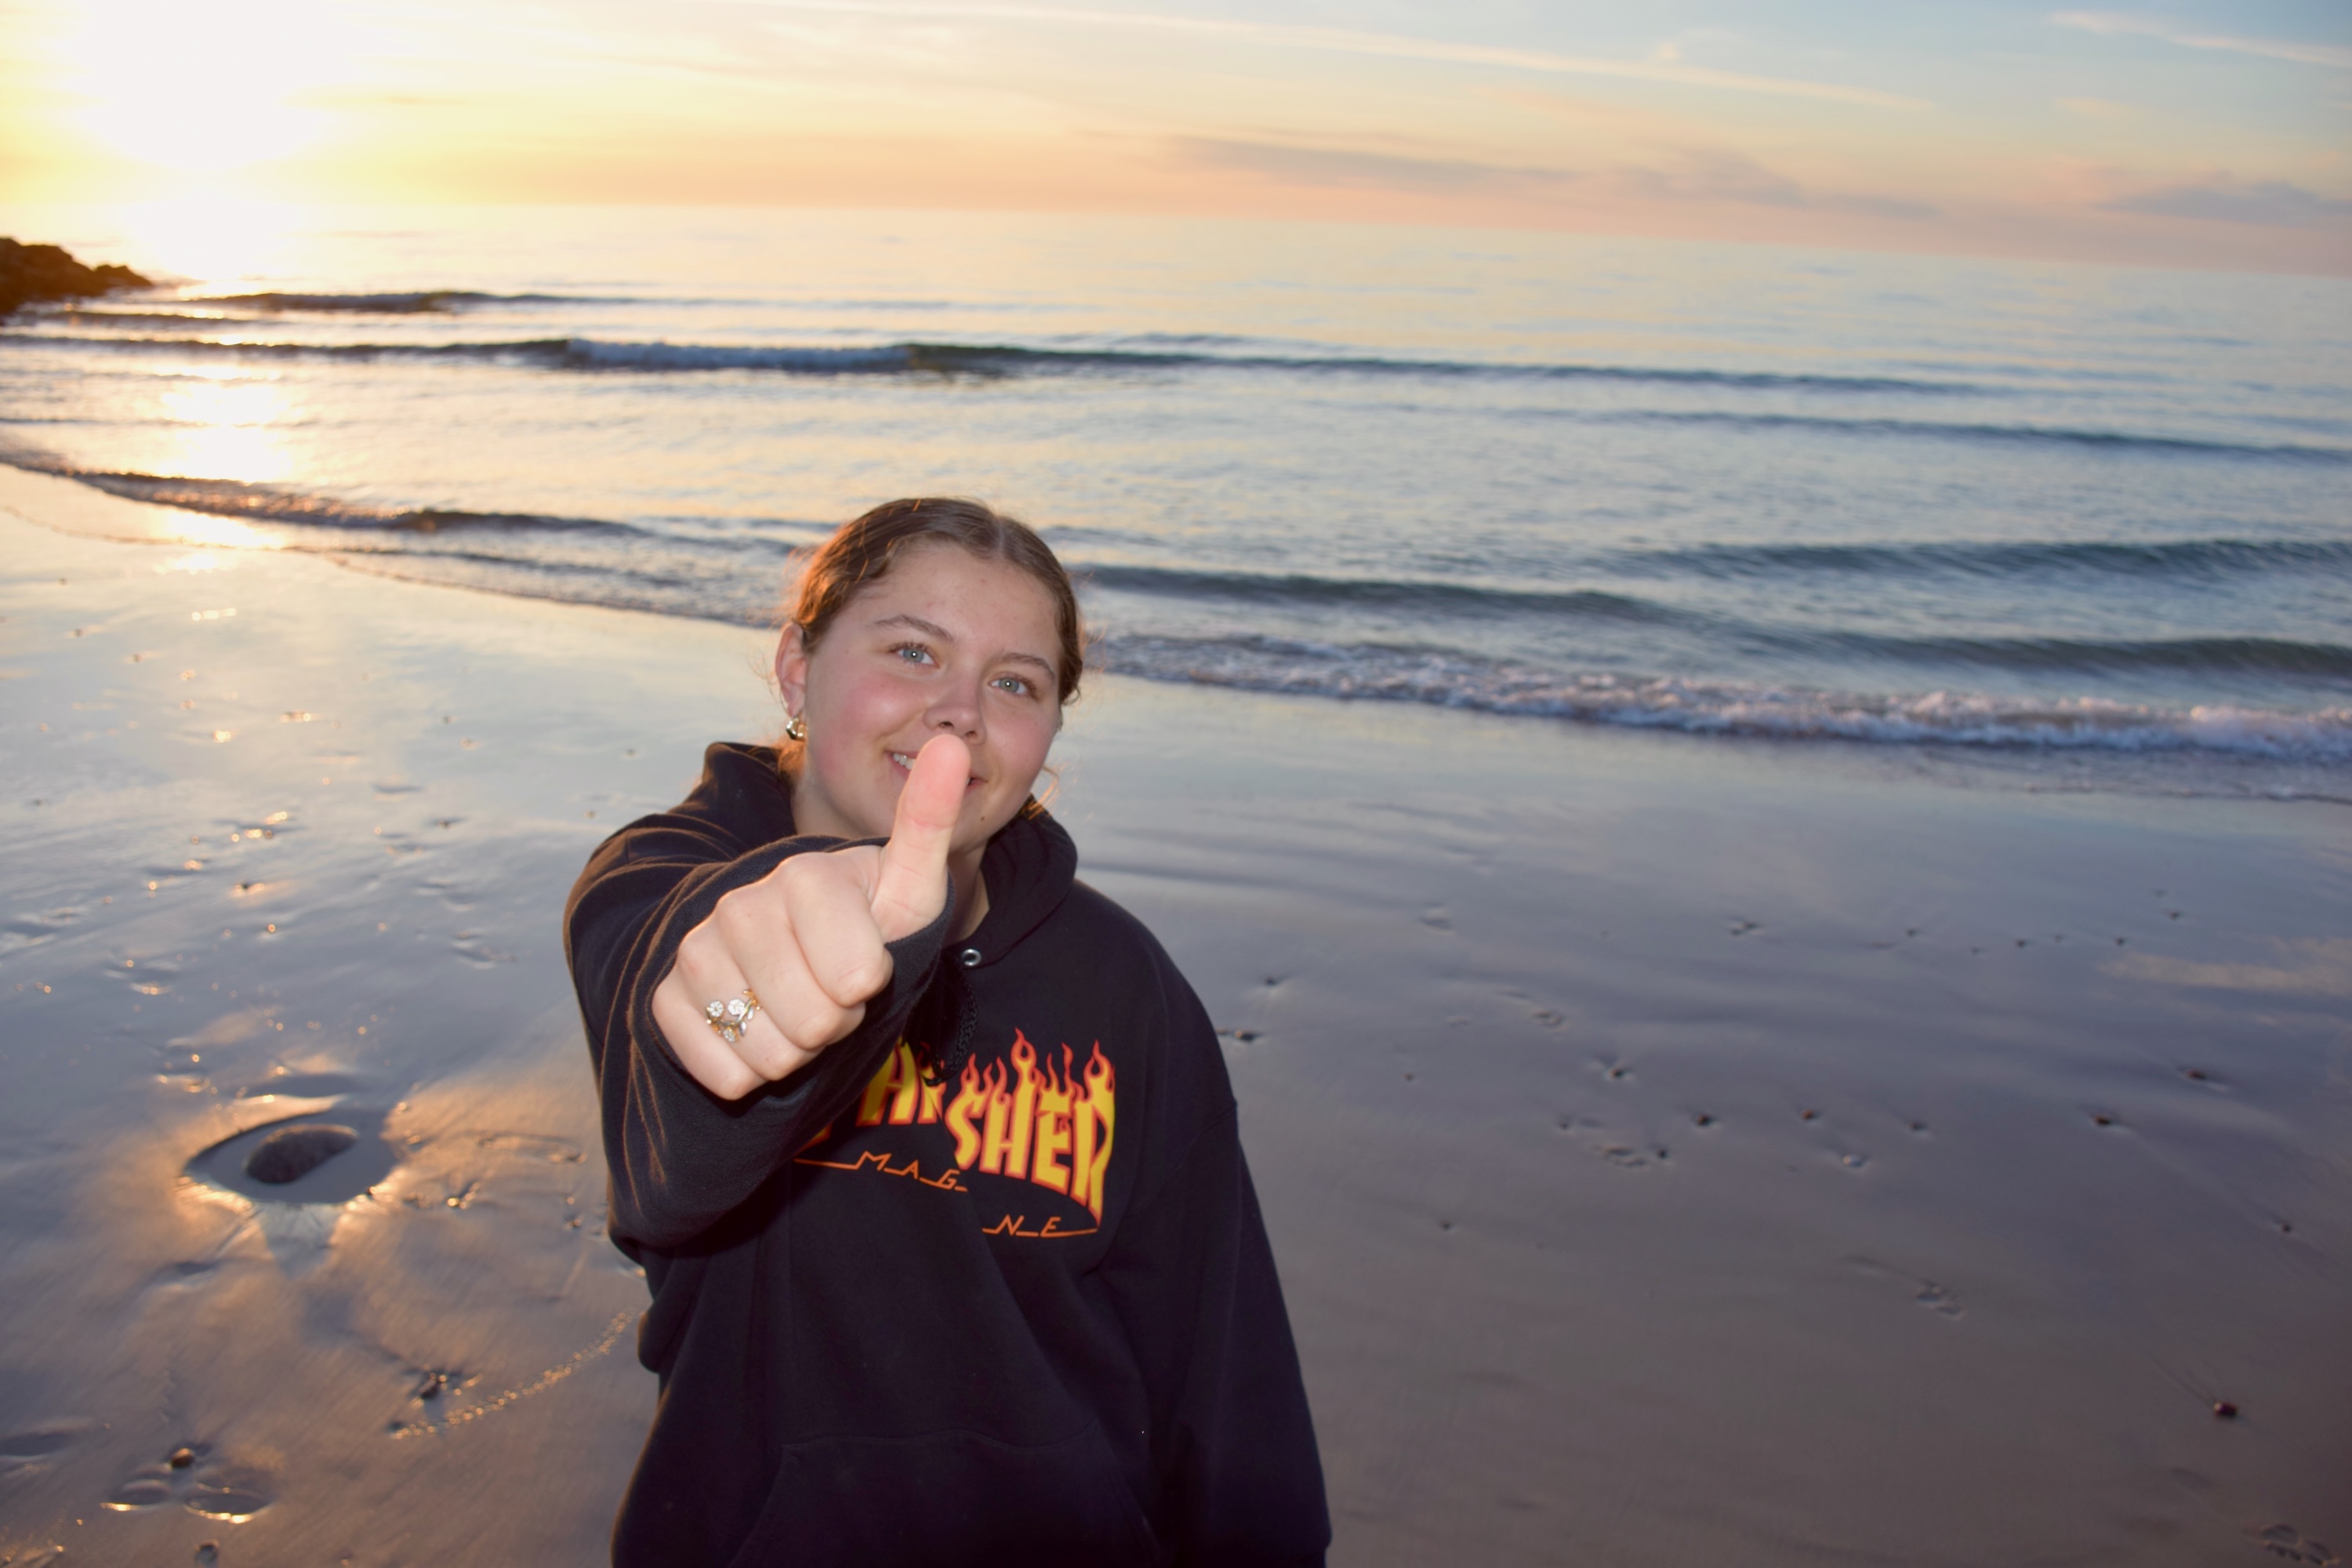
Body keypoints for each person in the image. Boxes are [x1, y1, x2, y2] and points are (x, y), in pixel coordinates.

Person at [564, 497, 1329, 1566]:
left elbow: (1218, 1357)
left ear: (1051, 730)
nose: (960, 714)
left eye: (1015, 682)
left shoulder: (1124, 984)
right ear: (797, 668)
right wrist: (748, 1009)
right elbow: (673, 1125)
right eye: (914, 651)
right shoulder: (655, 888)